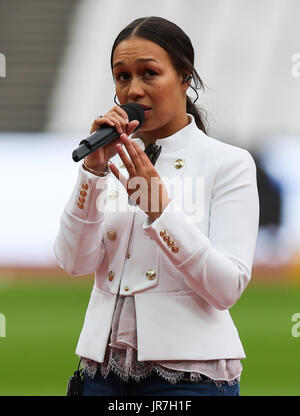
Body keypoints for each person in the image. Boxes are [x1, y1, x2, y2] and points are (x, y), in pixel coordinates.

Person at [54, 16, 259, 396]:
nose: (134, 90)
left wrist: (159, 211)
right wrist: (93, 173)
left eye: (149, 73)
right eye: (122, 77)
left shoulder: (229, 163)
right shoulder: (109, 159)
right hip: (101, 374)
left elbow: (227, 288)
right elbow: (73, 262)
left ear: (185, 77)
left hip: (189, 380)